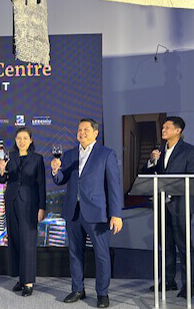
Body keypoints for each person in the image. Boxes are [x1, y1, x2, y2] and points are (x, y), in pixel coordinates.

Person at [50, 118, 123, 308]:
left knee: (101, 255)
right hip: (73, 212)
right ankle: (77, 289)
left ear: (95, 133)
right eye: (79, 129)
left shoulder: (106, 154)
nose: (81, 132)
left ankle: (102, 293)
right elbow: (60, 180)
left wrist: (116, 214)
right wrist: (55, 171)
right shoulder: (69, 154)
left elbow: (114, 186)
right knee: (75, 252)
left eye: (86, 129)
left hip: (98, 213)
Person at [142, 116, 194, 298]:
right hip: (161, 206)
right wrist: (152, 161)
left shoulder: (190, 152)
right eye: (162, 128)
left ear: (178, 130)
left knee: (184, 247)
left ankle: (188, 285)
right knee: (166, 246)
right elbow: (146, 174)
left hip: (180, 207)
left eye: (167, 127)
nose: (163, 130)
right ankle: (168, 281)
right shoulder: (158, 151)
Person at [0, 127, 46, 297]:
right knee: (16, 242)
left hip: (30, 205)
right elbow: (3, 179)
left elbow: (41, 184)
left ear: (31, 140)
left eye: (25, 138)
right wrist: (2, 170)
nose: (22, 141)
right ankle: (21, 277)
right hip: (11, 202)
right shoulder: (10, 157)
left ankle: (29, 282)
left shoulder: (37, 159)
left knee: (28, 243)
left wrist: (42, 207)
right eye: (19, 138)